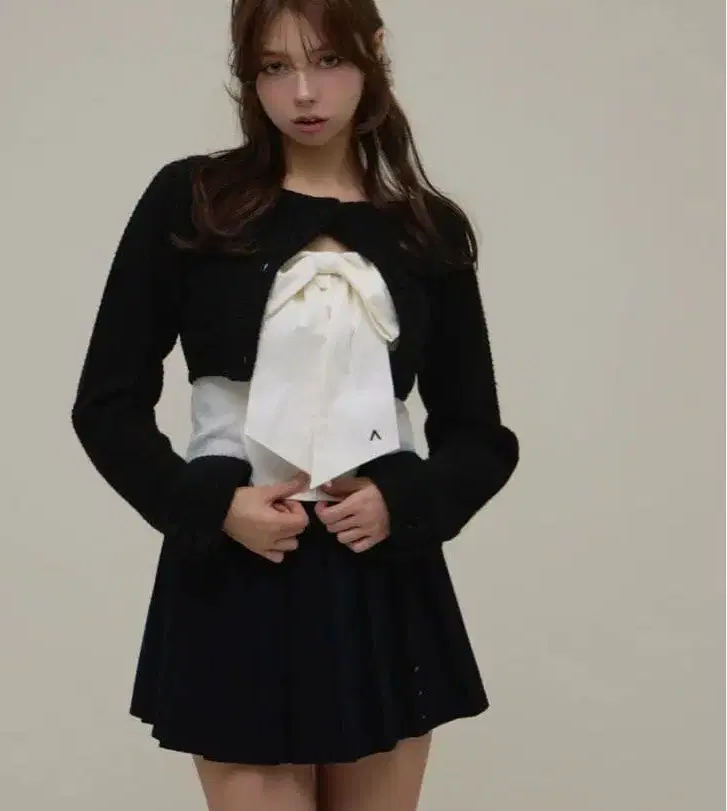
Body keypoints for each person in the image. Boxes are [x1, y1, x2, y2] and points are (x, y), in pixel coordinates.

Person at [71, 0, 520, 808]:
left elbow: (479, 435)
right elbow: (105, 403)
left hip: (380, 580)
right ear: (248, 76)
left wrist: (401, 501)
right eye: (274, 68)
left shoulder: (426, 229)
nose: (303, 93)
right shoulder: (192, 199)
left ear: (373, 53)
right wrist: (212, 506)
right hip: (235, 573)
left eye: (327, 61)